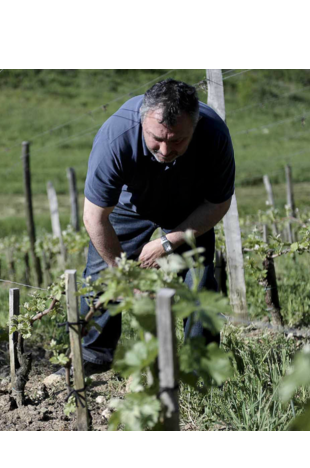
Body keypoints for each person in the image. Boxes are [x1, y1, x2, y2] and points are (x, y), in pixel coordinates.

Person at [62, 78, 235, 377]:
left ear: (194, 127)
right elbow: (94, 218)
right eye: (157, 138)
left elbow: (218, 204)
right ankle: (93, 359)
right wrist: (126, 275)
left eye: (178, 140)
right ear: (143, 120)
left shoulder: (214, 134)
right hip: (132, 204)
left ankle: (200, 366)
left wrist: (169, 242)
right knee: (101, 278)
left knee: (200, 283)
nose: (166, 149)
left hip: (190, 208)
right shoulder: (116, 136)